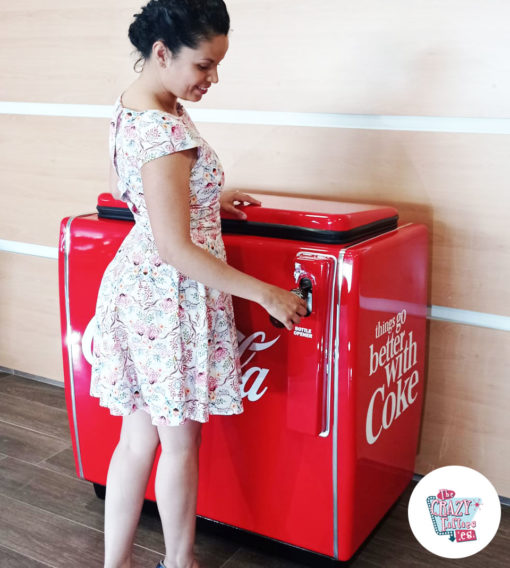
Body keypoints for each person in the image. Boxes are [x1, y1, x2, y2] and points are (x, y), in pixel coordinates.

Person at [90, 1, 307, 567]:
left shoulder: (137, 103)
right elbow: (176, 247)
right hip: (170, 298)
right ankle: (179, 562)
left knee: (138, 440)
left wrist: (206, 198)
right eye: (204, 65)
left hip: (139, 288)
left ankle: (117, 564)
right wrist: (265, 292)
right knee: (179, 444)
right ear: (162, 53)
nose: (212, 79)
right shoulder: (163, 129)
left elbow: (129, 189)